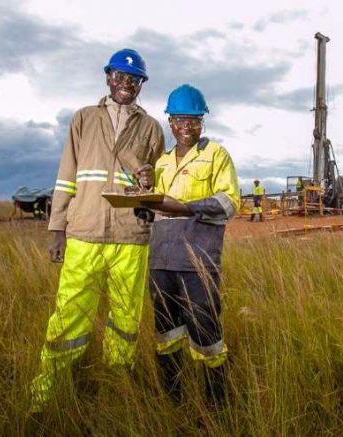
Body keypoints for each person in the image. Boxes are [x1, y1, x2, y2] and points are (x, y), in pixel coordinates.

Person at [29, 48, 165, 412]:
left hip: (131, 237)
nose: (126, 83)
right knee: (69, 314)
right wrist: (57, 228)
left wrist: (148, 183)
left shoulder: (152, 128)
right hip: (84, 233)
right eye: (119, 76)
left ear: (141, 84)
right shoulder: (84, 119)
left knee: (126, 317)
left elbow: (158, 184)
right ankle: (45, 395)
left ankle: (116, 387)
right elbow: (66, 177)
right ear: (108, 77)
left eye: (134, 79)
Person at [142, 84, 239, 406]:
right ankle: (174, 399)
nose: (186, 127)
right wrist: (141, 193)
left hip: (197, 259)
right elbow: (153, 209)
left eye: (194, 120)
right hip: (161, 259)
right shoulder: (161, 162)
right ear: (170, 122)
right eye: (180, 120)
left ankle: (216, 402)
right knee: (166, 332)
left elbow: (229, 202)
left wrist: (184, 207)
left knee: (205, 329)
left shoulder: (215, 155)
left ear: (202, 122)